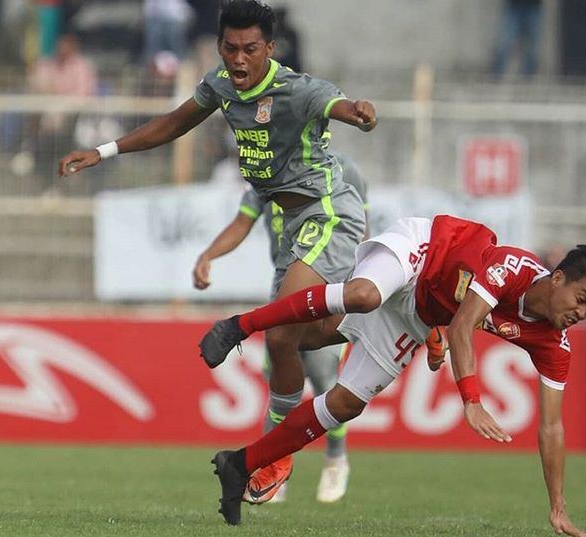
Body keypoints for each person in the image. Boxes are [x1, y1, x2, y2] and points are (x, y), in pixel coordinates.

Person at [58, 0, 376, 504]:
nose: (239, 59)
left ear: (269, 48)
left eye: (250, 49)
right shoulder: (222, 86)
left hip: (327, 214)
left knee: (279, 333)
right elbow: (174, 122)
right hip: (292, 226)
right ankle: (393, 315)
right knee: (290, 342)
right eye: (230, 48)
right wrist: (103, 151)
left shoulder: (296, 89)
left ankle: (275, 457)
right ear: (219, 45)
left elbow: (335, 103)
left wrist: (355, 112)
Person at [200, 215, 586, 532]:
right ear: (557, 279)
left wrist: (557, 507)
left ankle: (241, 464)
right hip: (422, 253)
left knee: (345, 401)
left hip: (421, 314)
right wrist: (471, 400)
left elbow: (552, 427)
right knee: (364, 295)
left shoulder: (555, 344)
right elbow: (464, 326)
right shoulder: (512, 268)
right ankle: (239, 325)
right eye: (581, 298)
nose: (581, 313)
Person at [193, 152, 370, 504]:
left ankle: (336, 458)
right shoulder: (267, 168)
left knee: (322, 374)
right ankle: (273, 468)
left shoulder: (346, 169)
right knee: (279, 373)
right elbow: (243, 222)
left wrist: (361, 281)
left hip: (330, 278)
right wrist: (209, 254)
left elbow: (361, 229)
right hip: (285, 281)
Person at [29, 32, 97, 191]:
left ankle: (34, 149)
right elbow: (38, 86)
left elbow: (83, 96)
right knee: (46, 112)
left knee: (56, 113)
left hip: (76, 118)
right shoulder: (48, 64)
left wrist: (61, 103)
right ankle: (31, 149)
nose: (61, 50)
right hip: (48, 117)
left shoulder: (82, 67)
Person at [491, 0, 543, 78]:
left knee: (533, 46)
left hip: (533, 6)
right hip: (514, 6)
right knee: (504, 41)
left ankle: (528, 79)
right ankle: (496, 76)